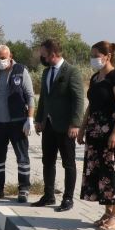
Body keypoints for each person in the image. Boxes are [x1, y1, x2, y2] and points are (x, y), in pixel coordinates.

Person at [78, 41, 115, 230]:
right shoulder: (96, 77)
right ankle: (107, 211)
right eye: (92, 55)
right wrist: (82, 127)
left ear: (108, 56)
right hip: (95, 133)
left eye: (96, 55)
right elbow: (91, 105)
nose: (93, 58)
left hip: (112, 132)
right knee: (103, 173)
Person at [33, 39, 85, 212]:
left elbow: (78, 99)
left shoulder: (71, 71)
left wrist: (75, 124)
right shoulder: (46, 72)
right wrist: (39, 119)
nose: (42, 57)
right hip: (48, 125)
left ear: (53, 54)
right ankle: (48, 195)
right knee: (48, 161)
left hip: (65, 126)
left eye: (43, 54)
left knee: (68, 164)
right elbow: (44, 98)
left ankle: (68, 198)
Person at [0, 44, 35, 203]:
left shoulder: (20, 70)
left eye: (3, 58)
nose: (1, 61)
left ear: (10, 56)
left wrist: (30, 119)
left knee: (22, 157)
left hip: (18, 122)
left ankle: (24, 188)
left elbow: (30, 96)